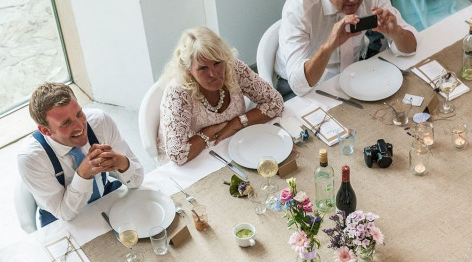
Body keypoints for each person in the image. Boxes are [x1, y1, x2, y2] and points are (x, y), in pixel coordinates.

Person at [18, 83, 144, 228]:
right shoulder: (31, 159)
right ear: (46, 131)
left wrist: (122, 163)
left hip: (104, 199)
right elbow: (65, 214)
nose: (80, 126)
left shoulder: (99, 122)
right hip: (62, 221)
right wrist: (83, 174)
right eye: (66, 123)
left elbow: (137, 180)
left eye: (79, 113)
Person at [159, 26, 284, 166]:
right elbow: (178, 155)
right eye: (203, 68)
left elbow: (275, 102)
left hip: (235, 146)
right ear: (188, 70)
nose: (214, 73)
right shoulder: (178, 92)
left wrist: (237, 123)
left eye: (217, 63)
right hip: (194, 161)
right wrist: (209, 132)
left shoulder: (232, 67)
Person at [277, 0, 418, 97]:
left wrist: (397, 33)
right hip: (301, 88)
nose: (354, 1)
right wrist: (327, 48)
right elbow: (298, 84)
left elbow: (411, 48)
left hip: (352, 77)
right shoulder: (298, 8)